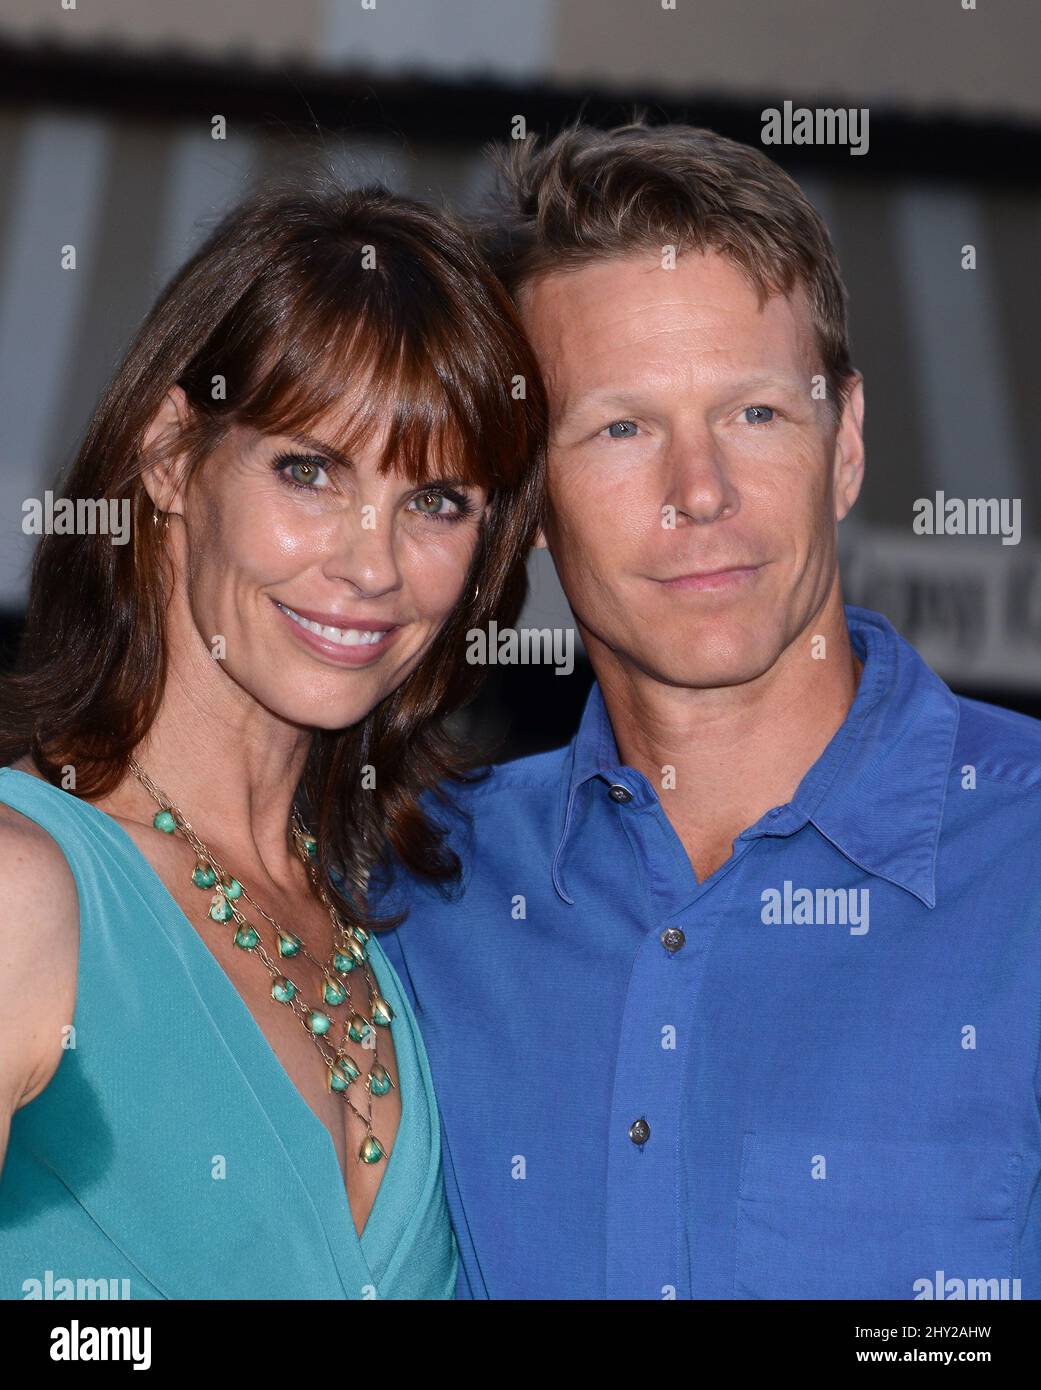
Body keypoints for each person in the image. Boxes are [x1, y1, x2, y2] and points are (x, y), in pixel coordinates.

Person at [373, 119, 1041, 1300]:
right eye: (622, 427)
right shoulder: (419, 897)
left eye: (756, 414)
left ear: (847, 445)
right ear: (529, 500)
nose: (701, 493)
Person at [0, 175, 547, 1300]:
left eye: (436, 499)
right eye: (310, 470)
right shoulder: (25, 894)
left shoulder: (400, 937)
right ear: (168, 457)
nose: (371, 563)